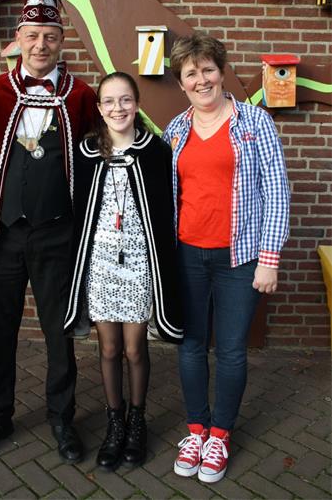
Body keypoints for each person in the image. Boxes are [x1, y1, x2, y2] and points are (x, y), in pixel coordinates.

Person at [0, 0, 98, 463]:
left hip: (58, 235)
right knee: (0, 331)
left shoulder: (82, 97)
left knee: (60, 334)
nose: (41, 45)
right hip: (3, 236)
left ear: (62, 42)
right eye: (33, 36)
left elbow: (96, 164)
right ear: (18, 38)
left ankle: (62, 418)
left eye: (51, 37)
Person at [163, 32, 290, 484]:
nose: (201, 80)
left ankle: (220, 434)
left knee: (232, 349)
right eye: (191, 73)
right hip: (186, 256)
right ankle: (196, 430)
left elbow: (276, 191)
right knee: (191, 345)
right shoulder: (175, 130)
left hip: (240, 258)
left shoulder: (255, 123)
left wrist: (269, 258)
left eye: (208, 70)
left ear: (222, 72)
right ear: (181, 82)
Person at [64, 72, 183, 471]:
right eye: (110, 101)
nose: (118, 108)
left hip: (138, 262)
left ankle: (137, 421)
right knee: (109, 349)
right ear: (100, 108)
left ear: (137, 104)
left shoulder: (155, 151)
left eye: (126, 100)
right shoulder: (85, 152)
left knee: (134, 349)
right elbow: (78, 210)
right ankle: (114, 424)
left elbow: (166, 210)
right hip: (100, 263)